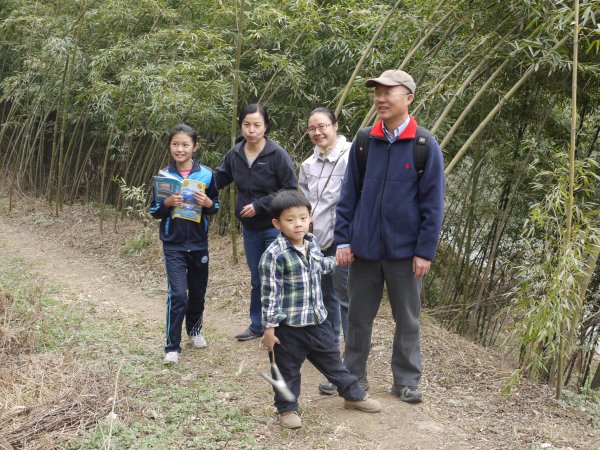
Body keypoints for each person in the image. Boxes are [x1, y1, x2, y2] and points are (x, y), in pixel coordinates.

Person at [335, 70, 445, 403]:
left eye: (388, 92)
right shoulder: (365, 140)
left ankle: (406, 380)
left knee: (408, 319)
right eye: (377, 93)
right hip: (365, 250)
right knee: (357, 317)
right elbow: (349, 194)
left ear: (408, 97)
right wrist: (343, 240)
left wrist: (425, 251)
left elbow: (433, 205)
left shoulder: (424, 145)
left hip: (405, 252)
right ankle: (353, 376)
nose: (380, 99)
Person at [259, 190, 382, 429]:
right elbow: (270, 294)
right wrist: (269, 329)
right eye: (290, 219)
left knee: (333, 362)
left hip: (317, 320)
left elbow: (319, 266)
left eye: (303, 218)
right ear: (277, 223)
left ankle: (353, 396)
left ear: (310, 217)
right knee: (287, 370)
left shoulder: (312, 242)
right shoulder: (274, 255)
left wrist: (338, 259)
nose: (298, 224)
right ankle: (287, 409)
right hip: (288, 328)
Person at [214, 104, 297, 341]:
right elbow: (219, 178)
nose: (251, 130)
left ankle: (284, 328)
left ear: (266, 126)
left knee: (277, 276)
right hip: (249, 229)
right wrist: (193, 179)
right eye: (247, 125)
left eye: (257, 125)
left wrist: (260, 205)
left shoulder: (276, 154)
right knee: (257, 277)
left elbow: (290, 188)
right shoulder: (236, 153)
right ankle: (257, 325)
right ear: (241, 125)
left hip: (274, 227)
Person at [150, 123, 220, 364]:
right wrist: (167, 203)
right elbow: (154, 211)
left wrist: (208, 204)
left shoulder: (207, 175)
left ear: (194, 147)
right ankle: (172, 346)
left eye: (185, 144)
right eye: (175, 144)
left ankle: (195, 331)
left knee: (198, 293)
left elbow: (216, 207)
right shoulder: (163, 176)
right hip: (174, 244)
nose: (180, 149)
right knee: (179, 294)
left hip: (199, 243)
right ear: (170, 146)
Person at [298, 107, 351, 396]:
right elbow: (303, 204)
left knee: (344, 300)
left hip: (342, 241)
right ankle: (331, 356)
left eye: (322, 126)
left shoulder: (352, 155)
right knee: (323, 298)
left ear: (335, 125)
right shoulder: (307, 164)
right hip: (315, 242)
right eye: (312, 128)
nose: (317, 132)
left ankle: (346, 365)